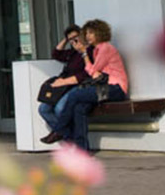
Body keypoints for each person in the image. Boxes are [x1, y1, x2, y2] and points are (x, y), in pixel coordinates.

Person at [48, 19, 129, 152]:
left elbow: (92, 71)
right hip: (105, 88)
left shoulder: (105, 48)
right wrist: (86, 55)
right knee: (79, 108)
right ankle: (82, 150)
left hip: (116, 89)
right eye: (86, 33)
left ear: (100, 33)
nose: (87, 36)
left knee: (75, 94)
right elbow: (94, 73)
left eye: (91, 33)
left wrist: (84, 53)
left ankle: (60, 130)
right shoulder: (97, 50)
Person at [39, 25, 92, 143]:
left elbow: (86, 74)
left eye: (76, 37)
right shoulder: (72, 53)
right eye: (71, 39)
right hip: (64, 86)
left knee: (60, 109)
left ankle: (67, 139)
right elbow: (56, 54)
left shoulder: (90, 51)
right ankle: (69, 136)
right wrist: (66, 40)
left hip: (78, 85)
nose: (74, 41)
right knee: (43, 109)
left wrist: (64, 81)